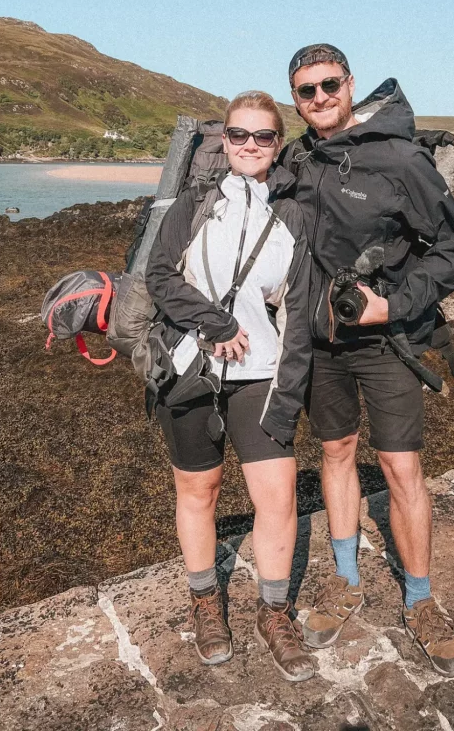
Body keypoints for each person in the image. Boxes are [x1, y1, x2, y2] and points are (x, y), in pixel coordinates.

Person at [278, 45, 454, 678]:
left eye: (328, 86)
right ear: (295, 99)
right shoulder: (297, 159)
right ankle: (345, 581)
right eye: (304, 92)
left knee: (399, 468)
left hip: (384, 340)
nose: (318, 99)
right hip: (319, 343)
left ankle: (419, 601)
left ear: (350, 84)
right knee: (335, 453)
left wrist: (392, 308)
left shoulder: (399, 157)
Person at [145, 90, 315, 682]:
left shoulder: (295, 214)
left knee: (279, 497)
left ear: (277, 145)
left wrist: (292, 387)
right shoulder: (192, 204)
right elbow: (159, 275)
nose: (248, 145)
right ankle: (205, 602)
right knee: (201, 490)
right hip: (190, 370)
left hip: (261, 375)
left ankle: (274, 613)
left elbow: (298, 305)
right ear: (223, 140)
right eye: (237, 135)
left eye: (261, 137)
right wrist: (214, 322)